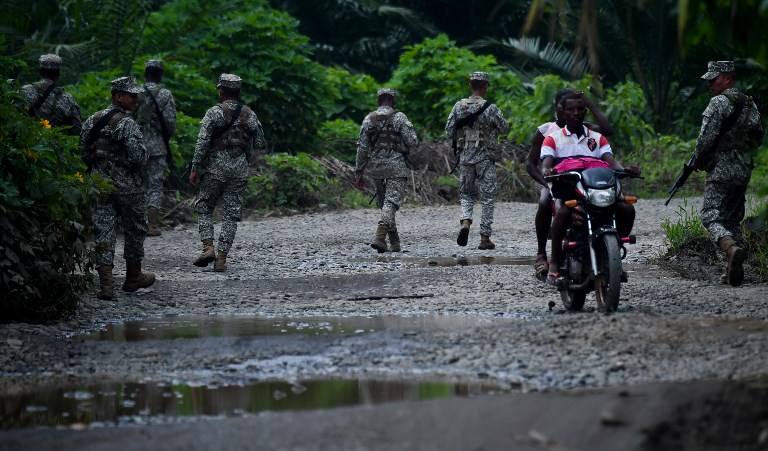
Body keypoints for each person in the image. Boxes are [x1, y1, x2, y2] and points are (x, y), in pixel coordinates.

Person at [540, 92, 640, 287]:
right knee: (562, 212)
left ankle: (615, 253)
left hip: (596, 191)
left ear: (585, 112)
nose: (576, 113)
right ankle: (554, 263)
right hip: (569, 190)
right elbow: (546, 164)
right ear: (564, 112)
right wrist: (548, 170)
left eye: (579, 109)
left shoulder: (597, 138)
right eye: (571, 109)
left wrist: (626, 169)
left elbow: (612, 162)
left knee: (627, 209)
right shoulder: (552, 139)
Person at [526, 88, 614, 279]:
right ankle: (542, 253)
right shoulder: (546, 131)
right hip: (556, 181)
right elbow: (531, 165)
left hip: (585, 182)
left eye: (579, 107)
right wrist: (547, 182)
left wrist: (589, 103)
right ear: (559, 108)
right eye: (566, 106)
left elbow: (607, 131)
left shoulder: (586, 128)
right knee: (544, 202)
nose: (575, 112)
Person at [80, 76, 155, 300]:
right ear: (118, 97)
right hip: (128, 187)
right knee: (135, 228)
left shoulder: (92, 120)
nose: (135, 99)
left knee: (103, 230)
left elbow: (83, 152)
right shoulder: (127, 123)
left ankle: (106, 286)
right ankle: (133, 278)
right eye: (131, 95)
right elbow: (138, 157)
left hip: (99, 185)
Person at [691, 61, 764, 287]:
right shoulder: (749, 104)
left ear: (728, 78)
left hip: (721, 169)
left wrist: (698, 161)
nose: (710, 84)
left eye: (714, 80)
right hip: (743, 170)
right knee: (733, 219)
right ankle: (733, 269)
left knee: (711, 215)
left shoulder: (718, 103)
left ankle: (731, 248)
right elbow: (758, 137)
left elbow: (705, 140)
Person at [189, 73, 266, 272]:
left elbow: (202, 142)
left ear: (221, 92)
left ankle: (208, 247)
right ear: (239, 93)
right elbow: (260, 143)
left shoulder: (213, 113)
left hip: (215, 168)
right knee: (231, 214)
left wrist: (195, 167)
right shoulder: (249, 114)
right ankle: (222, 258)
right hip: (239, 170)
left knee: (205, 206)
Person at [445, 71, 509, 249]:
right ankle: (484, 237)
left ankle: (466, 221)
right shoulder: (491, 108)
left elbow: (449, 130)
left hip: (465, 157)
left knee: (466, 194)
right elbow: (504, 128)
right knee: (487, 198)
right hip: (485, 159)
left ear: (470, 86)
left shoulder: (459, 106)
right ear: (486, 86)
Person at [354, 88, 419, 253]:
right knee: (391, 203)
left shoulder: (368, 119)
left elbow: (362, 148)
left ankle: (395, 243)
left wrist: (359, 172)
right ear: (393, 101)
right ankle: (379, 237)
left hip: (376, 167)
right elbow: (412, 141)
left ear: (378, 100)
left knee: (385, 205)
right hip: (396, 166)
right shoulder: (399, 117)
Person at [135, 59, 177, 237]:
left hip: (135, 145)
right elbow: (170, 123)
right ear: (160, 75)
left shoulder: (134, 93)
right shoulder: (165, 95)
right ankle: (152, 224)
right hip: (157, 147)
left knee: (136, 183)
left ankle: (135, 222)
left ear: (145, 73)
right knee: (155, 185)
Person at [20, 53, 82, 135]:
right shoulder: (67, 98)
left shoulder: (24, 91)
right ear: (58, 73)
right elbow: (77, 129)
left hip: (27, 144)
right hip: (56, 145)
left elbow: (12, 117)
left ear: (39, 71)